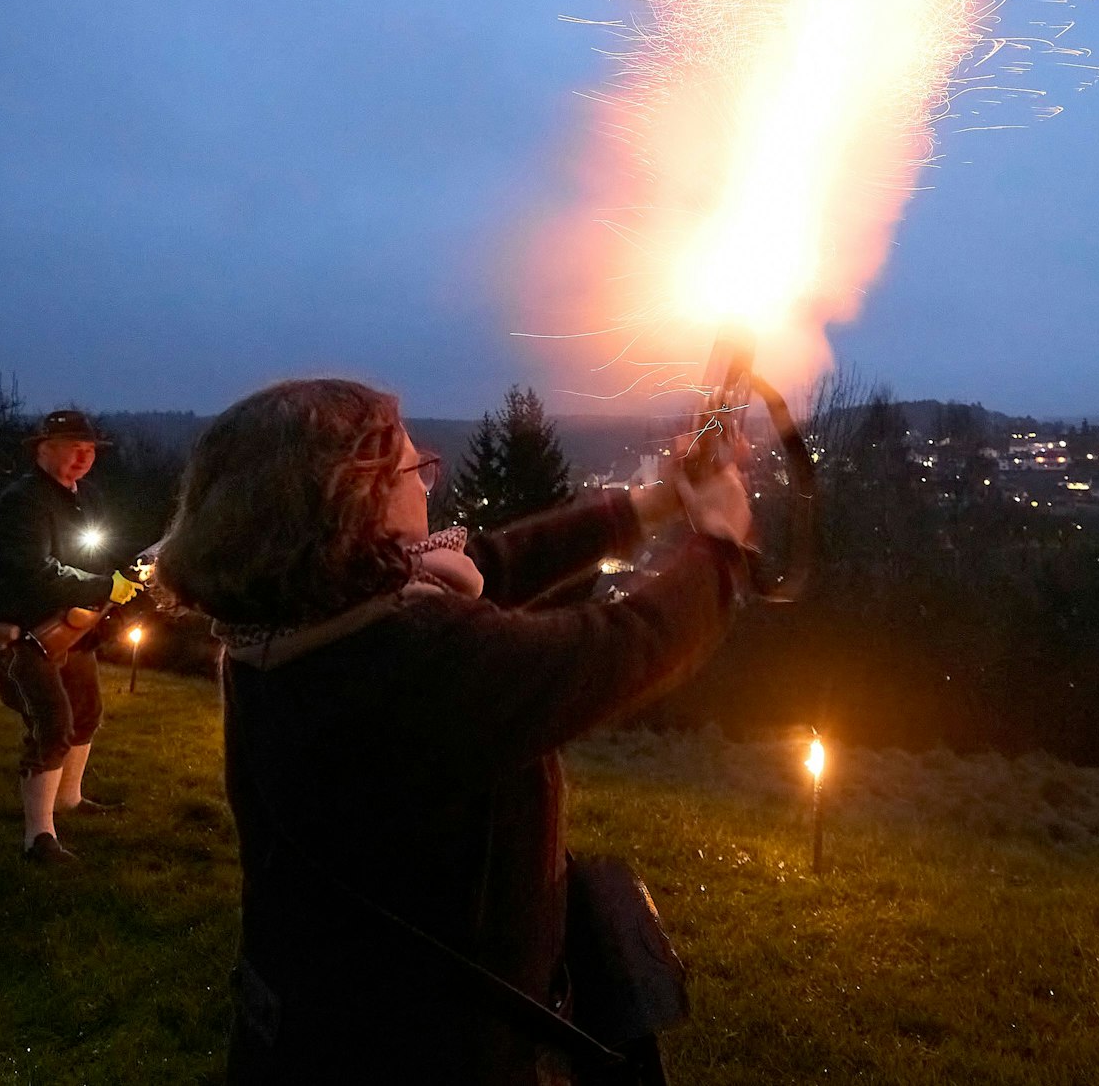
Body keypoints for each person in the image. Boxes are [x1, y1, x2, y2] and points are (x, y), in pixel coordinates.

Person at [155, 379, 753, 1085]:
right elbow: (621, 647)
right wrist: (720, 549)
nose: (428, 482)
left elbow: (491, 566)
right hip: (418, 1049)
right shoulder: (403, 661)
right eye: (415, 468)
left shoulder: (285, 620)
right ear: (353, 500)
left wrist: (646, 507)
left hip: (312, 1029)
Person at [0, 410, 143, 865]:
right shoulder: (21, 501)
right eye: (73, 447)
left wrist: (115, 579)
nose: (84, 457)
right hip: (19, 629)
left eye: (90, 449)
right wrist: (105, 585)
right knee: (51, 725)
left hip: (72, 626)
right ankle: (38, 838)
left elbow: (93, 554)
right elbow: (34, 571)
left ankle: (70, 798)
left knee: (86, 713)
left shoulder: (84, 497)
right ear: (43, 449)